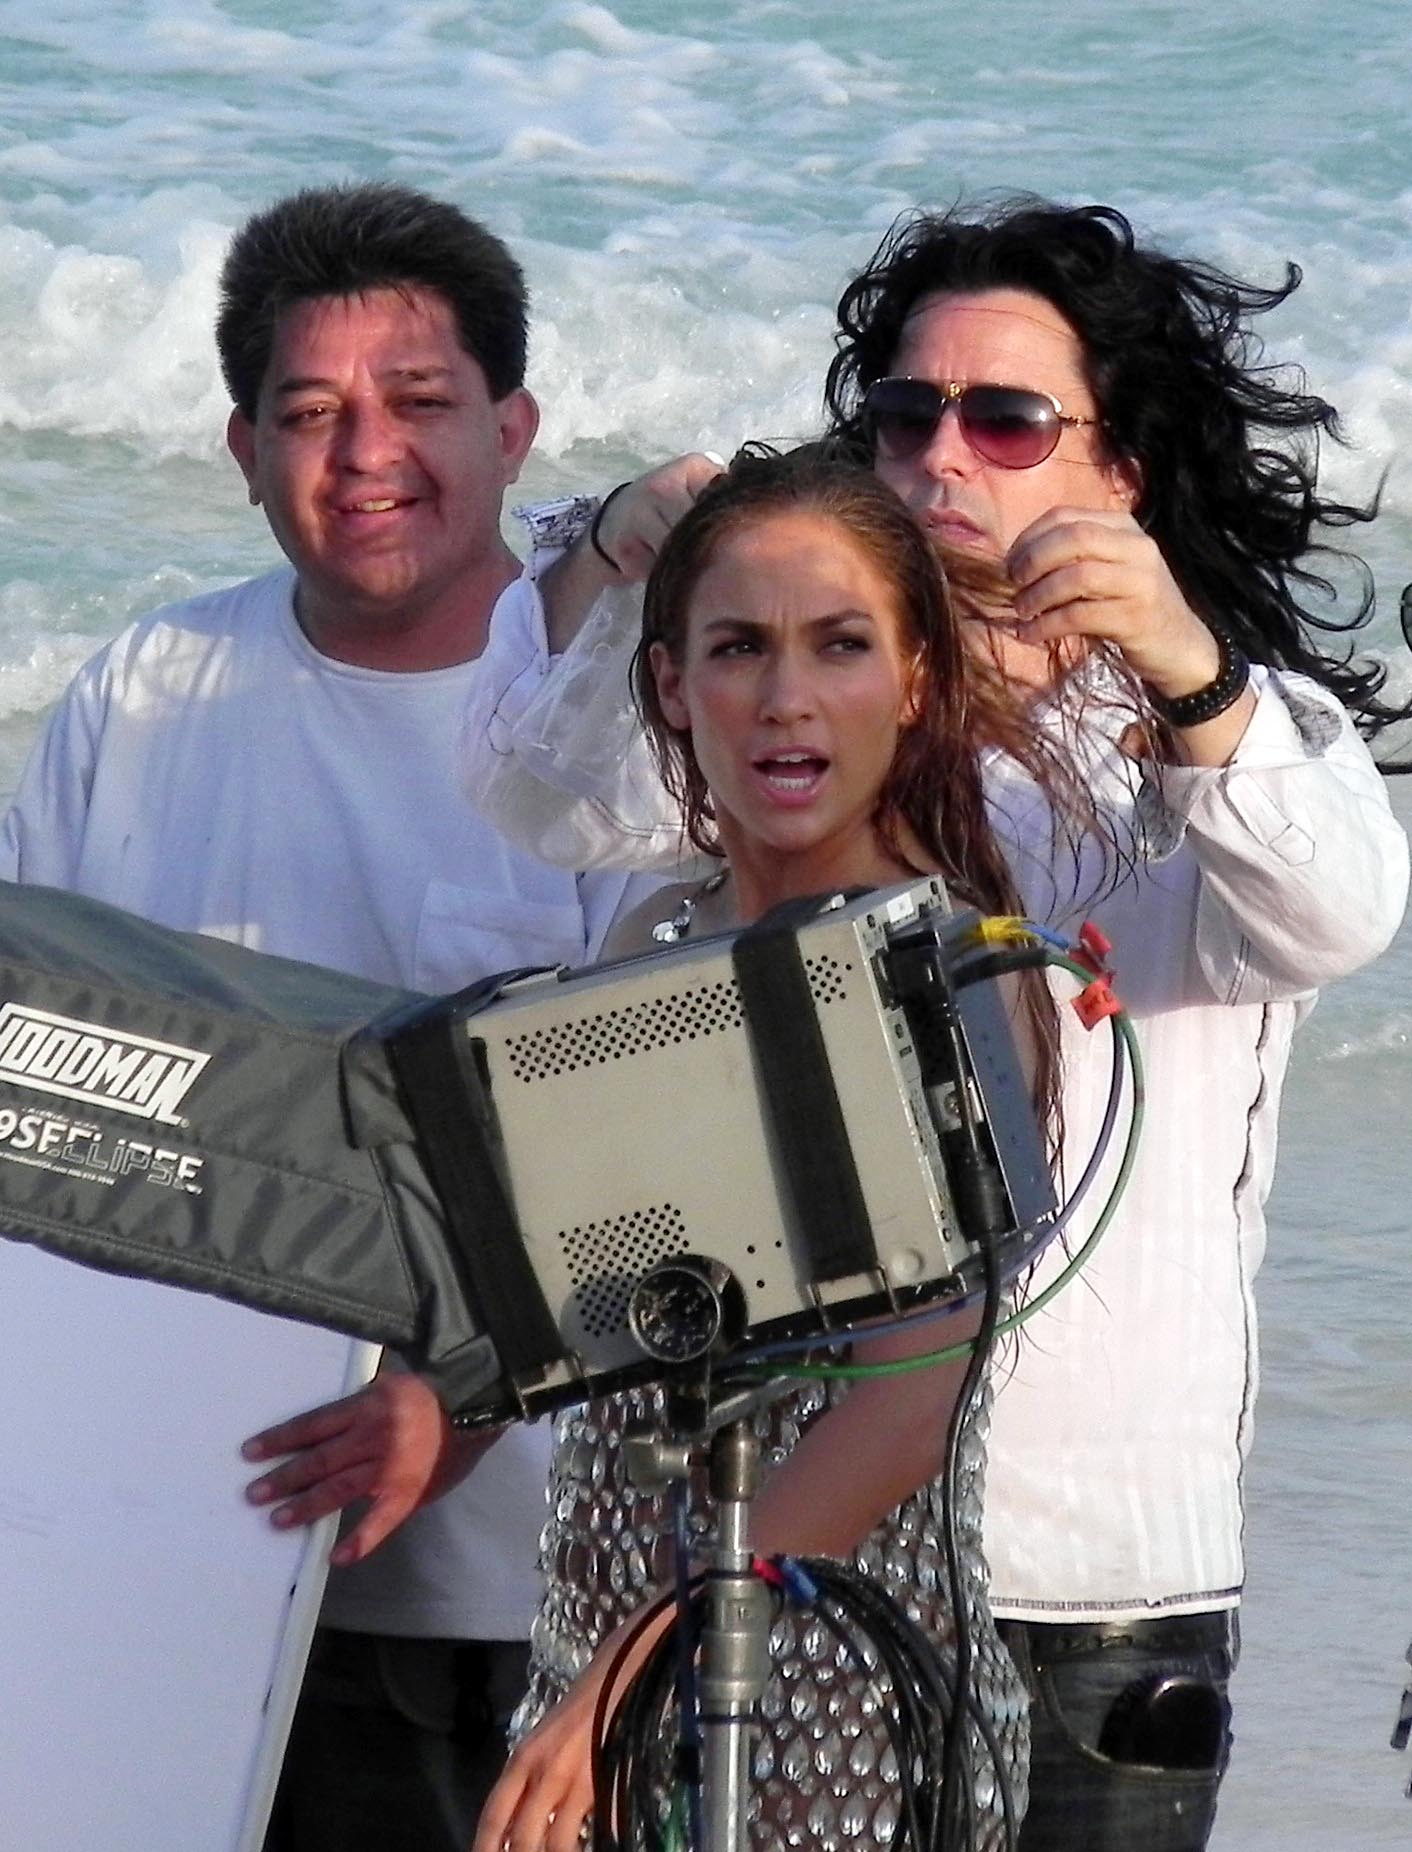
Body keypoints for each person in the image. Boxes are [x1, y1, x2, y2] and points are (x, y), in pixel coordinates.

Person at [457, 198, 1410, 1850]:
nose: (944, 458)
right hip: (789, 1536)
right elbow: (543, 794)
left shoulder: (1220, 739)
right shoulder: (815, 716)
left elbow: (1336, 913)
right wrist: (617, 546)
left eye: (1008, 419)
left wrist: (1189, 671)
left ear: (1120, 473)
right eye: (907, 416)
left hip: (1084, 1576)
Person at [0, 181, 641, 1852]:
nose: (366, 455)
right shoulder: (148, 689)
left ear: (514, 429)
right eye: (309, 413)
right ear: (240, 448)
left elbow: (652, 1170)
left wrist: (462, 1404)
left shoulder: (611, 735)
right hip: (135, 1543)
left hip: (486, 1592)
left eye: (420, 402)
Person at [475, 444, 1074, 1852]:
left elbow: (912, 1395)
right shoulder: (647, 939)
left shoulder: (956, 971)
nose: (785, 696)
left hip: (839, 1697)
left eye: (840, 645)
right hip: (600, 1634)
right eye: (739, 647)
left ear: (914, 678)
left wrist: (636, 1672)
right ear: (671, 686)